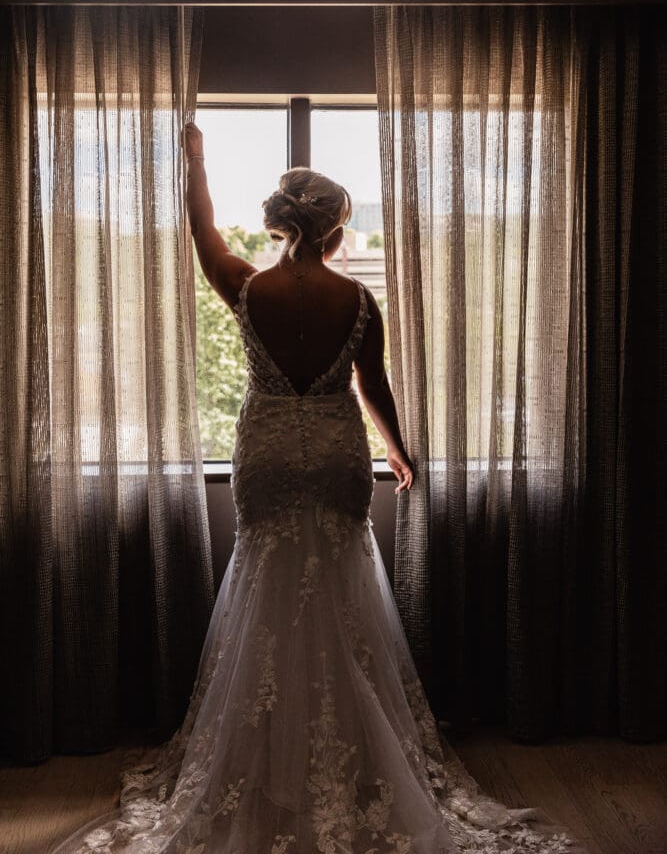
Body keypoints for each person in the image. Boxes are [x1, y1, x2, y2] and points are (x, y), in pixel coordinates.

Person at [50, 124, 584, 854]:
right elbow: (375, 389)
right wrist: (399, 454)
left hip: (267, 449)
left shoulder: (245, 285)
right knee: (340, 588)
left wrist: (198, 159)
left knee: (266, 582)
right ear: (336, 227)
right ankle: (356, 755)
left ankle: (262, 755)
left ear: (279, 222)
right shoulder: (357, 302)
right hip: (334, 450)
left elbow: (200, 228)